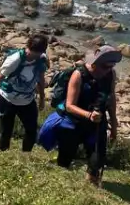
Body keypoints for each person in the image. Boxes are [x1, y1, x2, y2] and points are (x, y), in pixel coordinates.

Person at [38, 46, 121, 187]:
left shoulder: (110, 74)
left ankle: (92, 185)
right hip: (73, 124)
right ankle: (60, 185)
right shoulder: (79, 74)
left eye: (111, 66)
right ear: (95, 63)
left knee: (97, 159)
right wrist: (89, 115)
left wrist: (114, 125)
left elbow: (111, 98)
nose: (108, 69)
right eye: (106, 66)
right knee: (65, 158)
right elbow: (70, 105)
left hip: (97, 124)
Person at [0, 34, 49, 152]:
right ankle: (3, 154)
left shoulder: (41, 59)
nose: (30, 55)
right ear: (27, 47)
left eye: (35, 54)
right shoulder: (15, 59)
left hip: (27, 101)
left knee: (31, 130)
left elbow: (40, 80)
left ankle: (25, 155)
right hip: (7, 99)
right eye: (30, 52)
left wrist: (42, 98)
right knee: (6, 131)